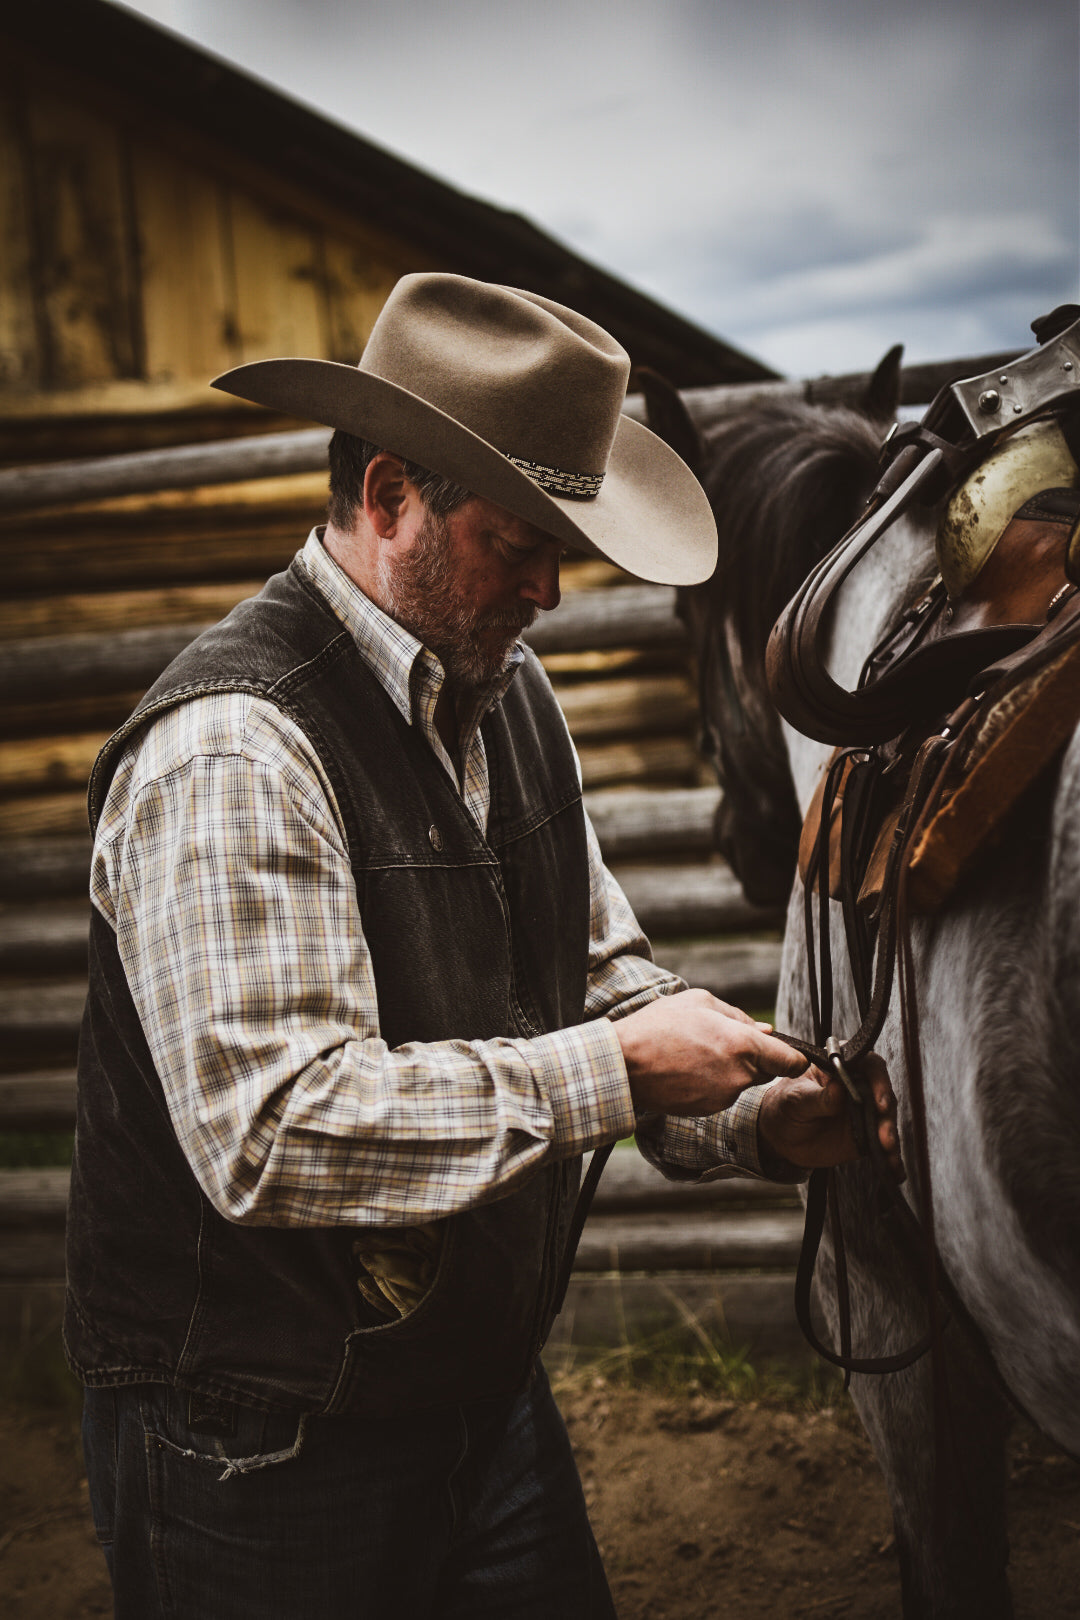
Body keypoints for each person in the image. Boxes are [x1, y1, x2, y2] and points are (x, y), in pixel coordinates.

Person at [65, 273, 899, 1619]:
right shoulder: (235, 747)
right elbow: (274, 1129)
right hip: (255, 1440)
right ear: (392, 495)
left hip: (481, 1400)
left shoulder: (505, 697)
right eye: (521, 541)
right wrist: (623, 1073)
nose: (554, 590)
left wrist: (752, 1112)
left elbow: (602, 979)